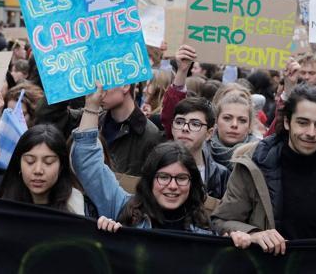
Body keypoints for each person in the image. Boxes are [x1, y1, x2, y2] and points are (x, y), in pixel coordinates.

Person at [211, 85, 316, 255]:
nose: (311, 132)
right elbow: (221, 221)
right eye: (303, 123)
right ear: (287, 122)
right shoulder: (253, 164)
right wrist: (253, 235)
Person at [72, 83, 214, 234]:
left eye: (181, 178)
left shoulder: (203, 232)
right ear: (150, 179)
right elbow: (88, 164)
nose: (173, 186)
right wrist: (92, 107)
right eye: (164, 177)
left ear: (192, 183)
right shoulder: (124, 208)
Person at [0, 124, 90, 215]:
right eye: (30, 161)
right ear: (19, 164)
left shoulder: (78, 208)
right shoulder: (0, 207)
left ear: (61, 166)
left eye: (48, 162)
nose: (38, 170)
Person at [170, 97, 228, 199]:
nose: (185, 128)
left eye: (195, 124)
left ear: (209, 133)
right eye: (179, 122)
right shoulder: (156, 166)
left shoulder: (221, 175)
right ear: (171, 128)